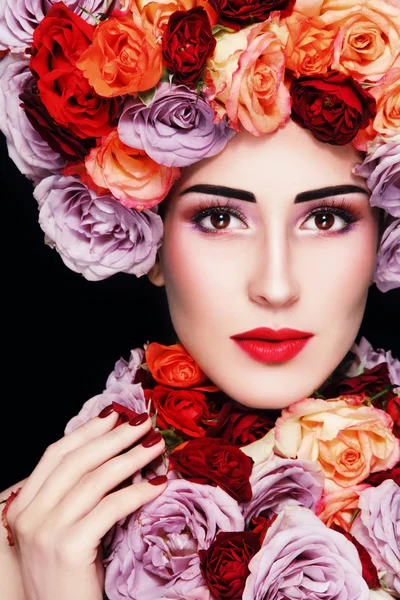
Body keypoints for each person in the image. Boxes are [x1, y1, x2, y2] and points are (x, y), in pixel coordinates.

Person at [0, 0, 399, 599]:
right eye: (218, 217)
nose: (276, 286)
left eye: (324, 218)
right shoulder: (29, 540)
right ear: (149, 242)